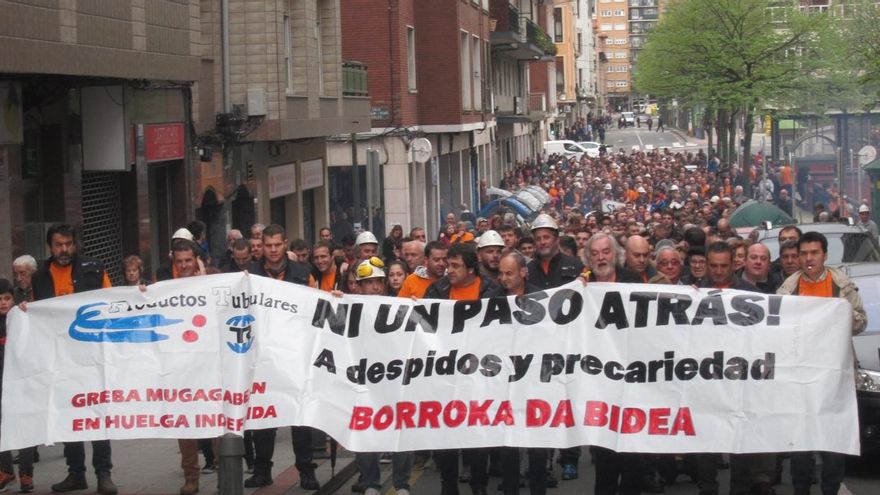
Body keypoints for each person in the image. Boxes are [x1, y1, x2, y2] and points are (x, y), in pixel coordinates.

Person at [30, 224, 117, 495]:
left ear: (75, 244)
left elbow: (112, 302)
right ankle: (75, 473)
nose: (64, 250)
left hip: (91, 356)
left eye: (68, 244)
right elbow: (36, 314)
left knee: (96, 414)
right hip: (61, 357)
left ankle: (104, 473)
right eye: (58, 245)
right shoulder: (40, 277)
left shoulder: (94, 267)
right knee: (70, 416)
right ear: (50, 247)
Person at [777, 232, 866, 495]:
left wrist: (842, 315)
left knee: (834, 441)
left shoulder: (842, 284)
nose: (808, 258)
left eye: (814, 253)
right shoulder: (788, 289)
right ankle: (801, 488)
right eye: (803, 253)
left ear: (824, 255)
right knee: (801, 445)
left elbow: (861, 321)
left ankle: (831, 487)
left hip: (834, 377)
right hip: (800, 377)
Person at [424, 243, 504, 495]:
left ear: (471, 269)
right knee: (446, 434)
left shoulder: (492, 291)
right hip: (445, 376)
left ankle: (478, 484)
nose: (449, 270)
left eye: (456, 265)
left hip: (479, 376)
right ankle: (448, 484)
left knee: (477, 435)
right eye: (448, 264)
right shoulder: (436, 290)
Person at [245, 225, 320, 490]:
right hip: (262, 356)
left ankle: (307, 471)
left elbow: (317, 307)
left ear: (284, 244)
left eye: (277, 245)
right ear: (262, 246)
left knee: (299, 417)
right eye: (268, 245)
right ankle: (262, 470)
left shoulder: (302, 273)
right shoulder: (248, 275)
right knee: (263, 417)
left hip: (295, 354)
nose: (273, 250)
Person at [697, 242, 772, 495]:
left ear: (733, 265)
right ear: (706, 265)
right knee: (705, 440)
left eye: (724, 266)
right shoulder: (692, 292)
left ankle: (739, 489)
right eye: (714, 266)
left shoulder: (750, 295)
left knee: (739, 439)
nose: (718, 272)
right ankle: (707, 487)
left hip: (739, 378)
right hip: (704, 378)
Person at [349, 258, 415, 495]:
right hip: (363, 382)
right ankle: (370, 482)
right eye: (369, 282)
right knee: (364, 430)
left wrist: (420, 310)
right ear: (357, 286)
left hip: (395, 380)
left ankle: (402, 483)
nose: (375, 287)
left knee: (401, 429)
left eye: (378, 281)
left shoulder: (400, 306)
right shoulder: (348, 309)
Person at [526, 214, 584, 484]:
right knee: (543, 404)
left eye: (546, 237)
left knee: (568, 401)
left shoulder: (575, 265)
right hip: (538, 346)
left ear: (556, 239)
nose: (542, 241)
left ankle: (570, 458)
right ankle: (543, 460)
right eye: (538, 238)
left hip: (569, 344)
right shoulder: (528, 268)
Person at [157, 239, 207, 495]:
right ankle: (191, 476)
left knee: (218, 420)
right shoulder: (164, 289)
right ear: (174, 262)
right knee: (184, 422)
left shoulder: (214, 281)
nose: (185, 265)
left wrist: (206, 278)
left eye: (188, 260)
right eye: (180, 261)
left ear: (196, 259)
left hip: (210, 365)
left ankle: (226, 468)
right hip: (180, 367)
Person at [496, 253, 546, 495]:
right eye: (501, 273)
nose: (503, 278)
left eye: (509, 273)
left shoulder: (542, 298)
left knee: (537, 443)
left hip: (536, 380)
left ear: (523, 273)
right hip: (505, 381)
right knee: (508, 446)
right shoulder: (491, 300)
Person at [0, 278, 36, 493]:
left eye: (7, 298)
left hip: (22, 381)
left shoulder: (22, 318)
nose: (3, 303)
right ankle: (5, 471)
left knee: (26, 427)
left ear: (13, 299)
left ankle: (26, 473)